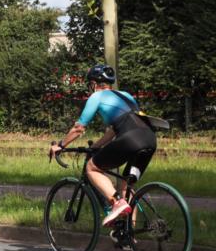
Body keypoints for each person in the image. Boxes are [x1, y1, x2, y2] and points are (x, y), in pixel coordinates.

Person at [48, 64, 157, 228]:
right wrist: (96, 147)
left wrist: (61, 145)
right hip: (149, 139)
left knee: (92, 168)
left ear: (93, 84)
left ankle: (116, 202)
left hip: (131, 139)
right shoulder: (126, 95)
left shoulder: (97, 96)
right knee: (126, 186)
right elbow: (114, 131)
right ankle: (129, 233)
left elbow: (79, 128)